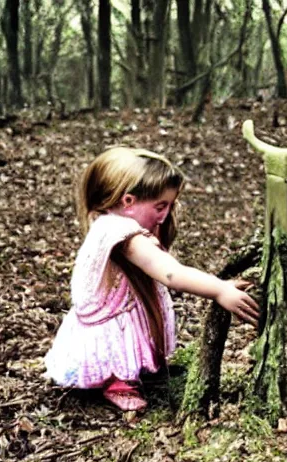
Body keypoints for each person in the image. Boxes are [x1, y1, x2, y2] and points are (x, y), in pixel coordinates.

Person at [44, 147, 259, 411]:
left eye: (169, 205)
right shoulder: (123, 234)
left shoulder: (109, 222)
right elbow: (171, 273)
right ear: (128, 201)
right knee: (118, 341)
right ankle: (117, 383)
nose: (165, 214)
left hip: (117, 307)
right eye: (160, 206)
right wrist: (219, 290)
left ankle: (128, 374)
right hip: (111, 318)